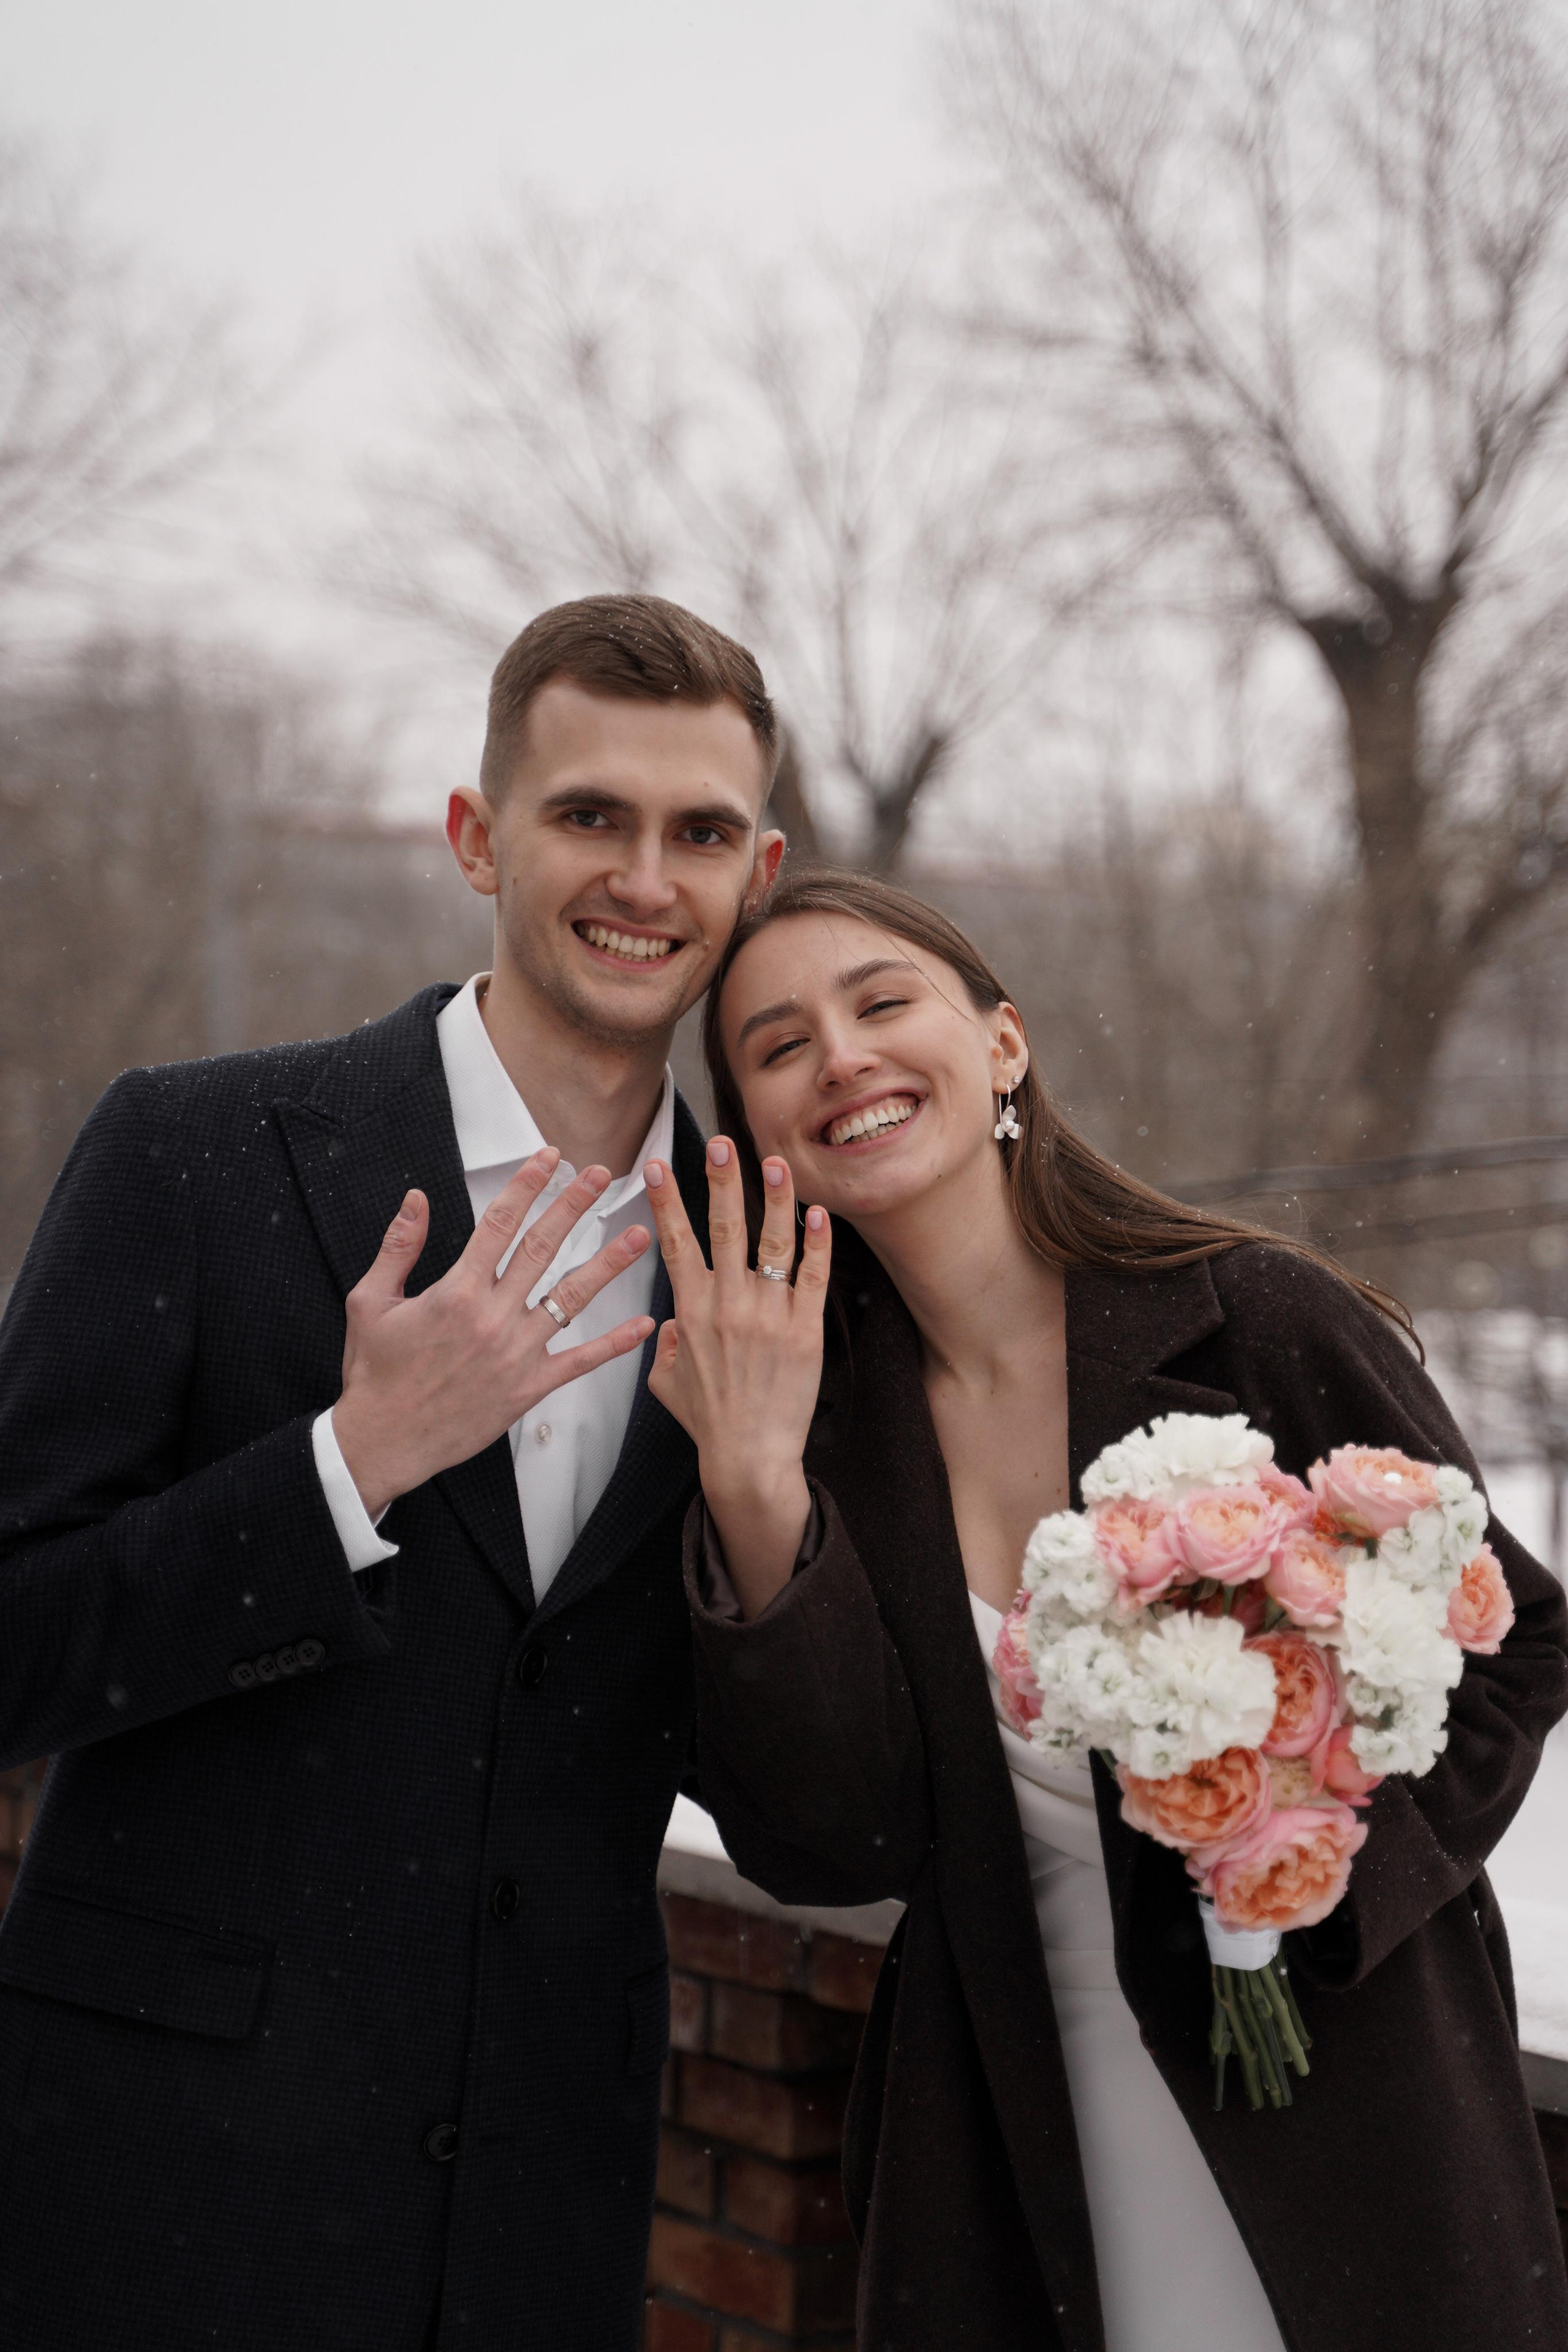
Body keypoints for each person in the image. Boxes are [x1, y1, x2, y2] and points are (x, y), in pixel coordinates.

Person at [639, 864, 1568, 2352]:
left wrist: (1315, 1879)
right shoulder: (807, 1431)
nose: (842, 1057)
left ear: (1001, 1045)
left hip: (1349, 2102)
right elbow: (829, 1841)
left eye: (881, 1003)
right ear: (756, 1134)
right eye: (777, 1044)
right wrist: (752, 1493)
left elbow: (1513, 1639)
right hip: (1016, 2136)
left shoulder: (1253, 1314)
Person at [0, 594, 783, 2352]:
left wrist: (769, 1526)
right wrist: (346, 1468)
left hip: (535, 2217)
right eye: (590, 815)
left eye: (700, 833)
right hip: (153, 2199)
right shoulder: (192, 1156)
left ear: (760, 871)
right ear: (477, 835)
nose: (645, 877)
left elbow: (824, 1825)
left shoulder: (779, 1265)